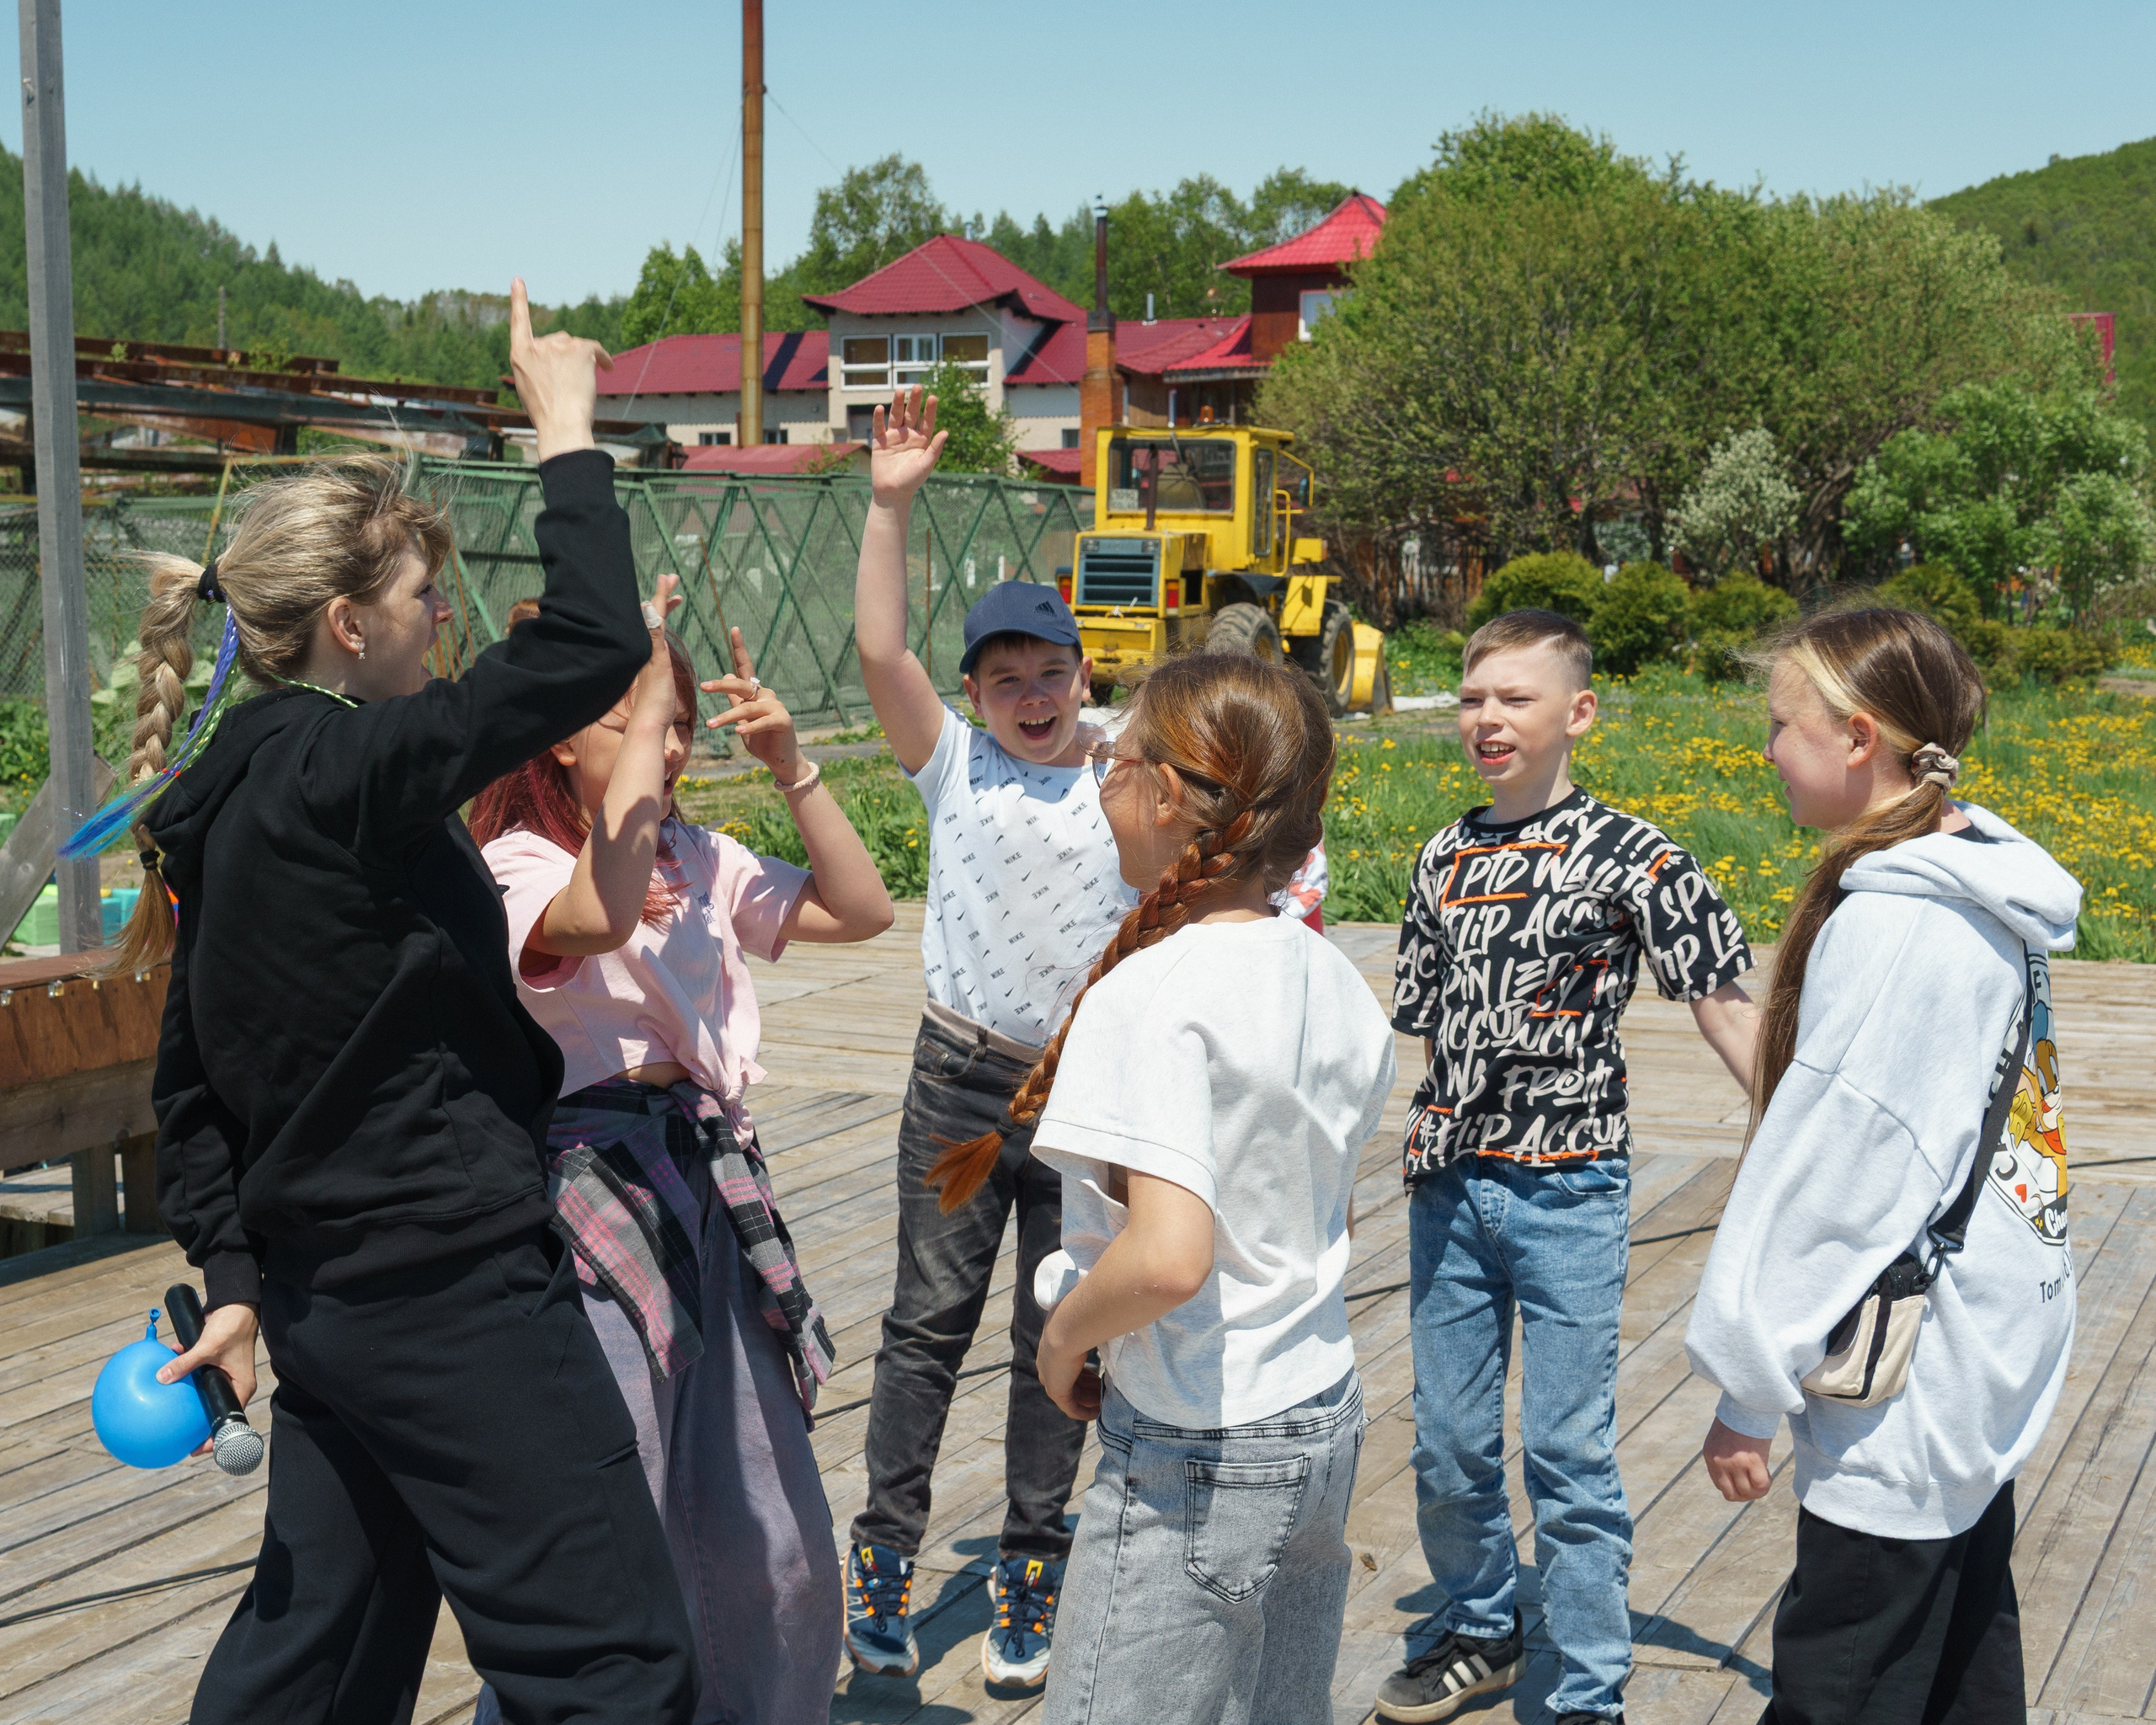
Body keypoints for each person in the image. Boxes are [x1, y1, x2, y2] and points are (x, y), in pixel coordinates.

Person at [117, 284, 700, 1722]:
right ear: (342, 625)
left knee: (316, 1668)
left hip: (328, 1309)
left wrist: (242, 1286)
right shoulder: (343, 768)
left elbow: (191, 1087)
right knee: (617, 1670)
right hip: (451, 1299)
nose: (444, 616)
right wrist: (566, 426)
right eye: (423, 599)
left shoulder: (224, 797)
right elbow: (579, 650)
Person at [467, 590, 890, 1723]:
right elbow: (593, 920)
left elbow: (864, 911)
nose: (668, 742)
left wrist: (795, 768)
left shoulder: (699, 857)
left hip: (706, 1183)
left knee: (769, 1519)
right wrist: (641, 684)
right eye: (639, 720)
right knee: (616, 1509)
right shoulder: (513, 861)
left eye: (680, 722)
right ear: (559, 736)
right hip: (580, 1205)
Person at [1686, 607, 2081, 1724]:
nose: (1766, 749)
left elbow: (1837, 1176)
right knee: (1960, 1660)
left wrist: (1749, 1382)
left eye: (1780, 724)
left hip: (1913, 1391)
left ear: (1857, 738)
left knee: (1847, 1679)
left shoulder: (1897, 925)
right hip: (1989, 1345)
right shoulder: (1976, 874)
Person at [986, 649, 1396, 1722]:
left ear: (1167, 794)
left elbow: (1167, 1256)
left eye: (1112, 763)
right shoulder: (1333, 976)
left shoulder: (1152, 992)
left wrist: (1062, 1340)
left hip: (1195, 1442)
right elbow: (1325, 1206)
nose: (1100, 782)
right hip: (1320, 1411)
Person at [1376, 608, 1759, 1725]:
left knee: (1566, 1452)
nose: (1488, 718)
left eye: (1516, 698)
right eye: (1473, 698)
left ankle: (1587, 1688)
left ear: (1577, 713)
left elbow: (1727, 1010)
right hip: (1449, 1187)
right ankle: (1482, 1626)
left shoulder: (1641, 856)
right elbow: (1412, 1021)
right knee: (1447, 1441)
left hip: (1572, 1189)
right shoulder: (1440, 856)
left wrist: (1796, 1133)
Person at [842, 386, 1134, 1690]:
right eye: (1004, 678)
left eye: (1050, 673)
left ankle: (1031, 1561)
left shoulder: (1129, 767)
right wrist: (889, 506)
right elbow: (875, 654)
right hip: (962, 1079)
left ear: (1084, 675)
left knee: (1054, 1327)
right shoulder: (953, 762)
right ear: (970, 692)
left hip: (1084, 1091)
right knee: (927, 1323)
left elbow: (1248, 746)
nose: (1031, 695)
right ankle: (887, 1558)